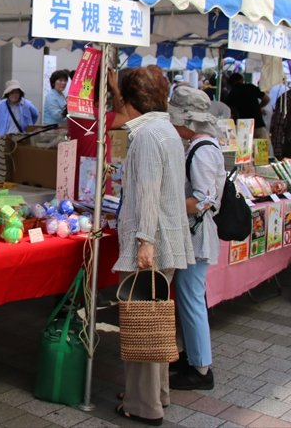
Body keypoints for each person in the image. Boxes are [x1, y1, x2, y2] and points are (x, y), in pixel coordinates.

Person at [113, 66, 195, 426]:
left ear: (131, 101)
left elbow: (146, 193)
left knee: (142, 323)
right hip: (167, 240)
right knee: (157, 322)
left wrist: (144, 242)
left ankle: (144, 405)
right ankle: (156, 395)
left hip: (152, 243)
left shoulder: (147, 136)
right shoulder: (167, 131)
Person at [167, 85, 223, 392]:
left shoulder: (201, 152)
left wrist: (170, 204)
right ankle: (194, 358)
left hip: (196, 235)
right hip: (196, 234)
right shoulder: (203, 146)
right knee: (190, 299)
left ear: (188, 121)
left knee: (191, 302)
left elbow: (203, 200)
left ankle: (201, 369)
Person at [68, 68, 129, 200]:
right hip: (91, 184)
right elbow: (125, 118)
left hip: (88, 178)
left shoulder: (78, 112)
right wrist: (115, 89)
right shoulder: (92, 114)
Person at [223, 72, 269, 136]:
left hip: (242, 127)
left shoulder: (231, 94)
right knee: (262, 145)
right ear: (241, 80)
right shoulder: (251, 87)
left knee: (244, 145)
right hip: (258, 123)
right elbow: (266, 99)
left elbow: (230, 112)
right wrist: (259, 107)